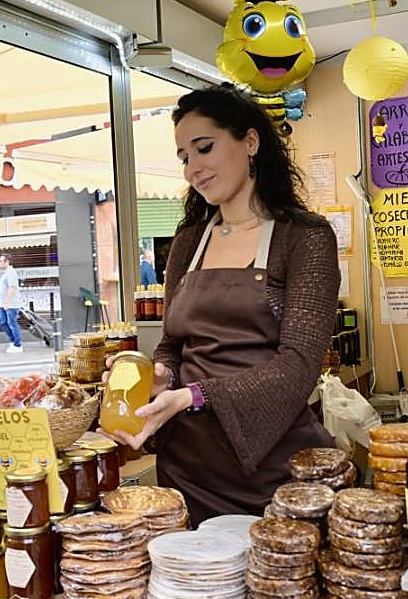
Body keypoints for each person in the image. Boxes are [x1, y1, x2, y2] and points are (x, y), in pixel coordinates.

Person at [106, 86, 340, 524]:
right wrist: (162, 376)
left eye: (204, 148)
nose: (194, 168)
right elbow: (173, 345)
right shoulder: (188, 243)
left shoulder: (304, 238)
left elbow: (299, 364)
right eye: (184, 157)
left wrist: (193, 396)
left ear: (250, 142)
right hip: (189, 468)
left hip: (274, 469)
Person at [0, 252, 23, 354]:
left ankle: (17, 345)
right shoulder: (6, 273)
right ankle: (12, 340)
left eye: (1, 261)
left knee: (12, 324)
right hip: (4, 305)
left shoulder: (11, 273)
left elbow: (12, 287)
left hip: (11, 304)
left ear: (6, 262)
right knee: (1, 321)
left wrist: (7, 301)